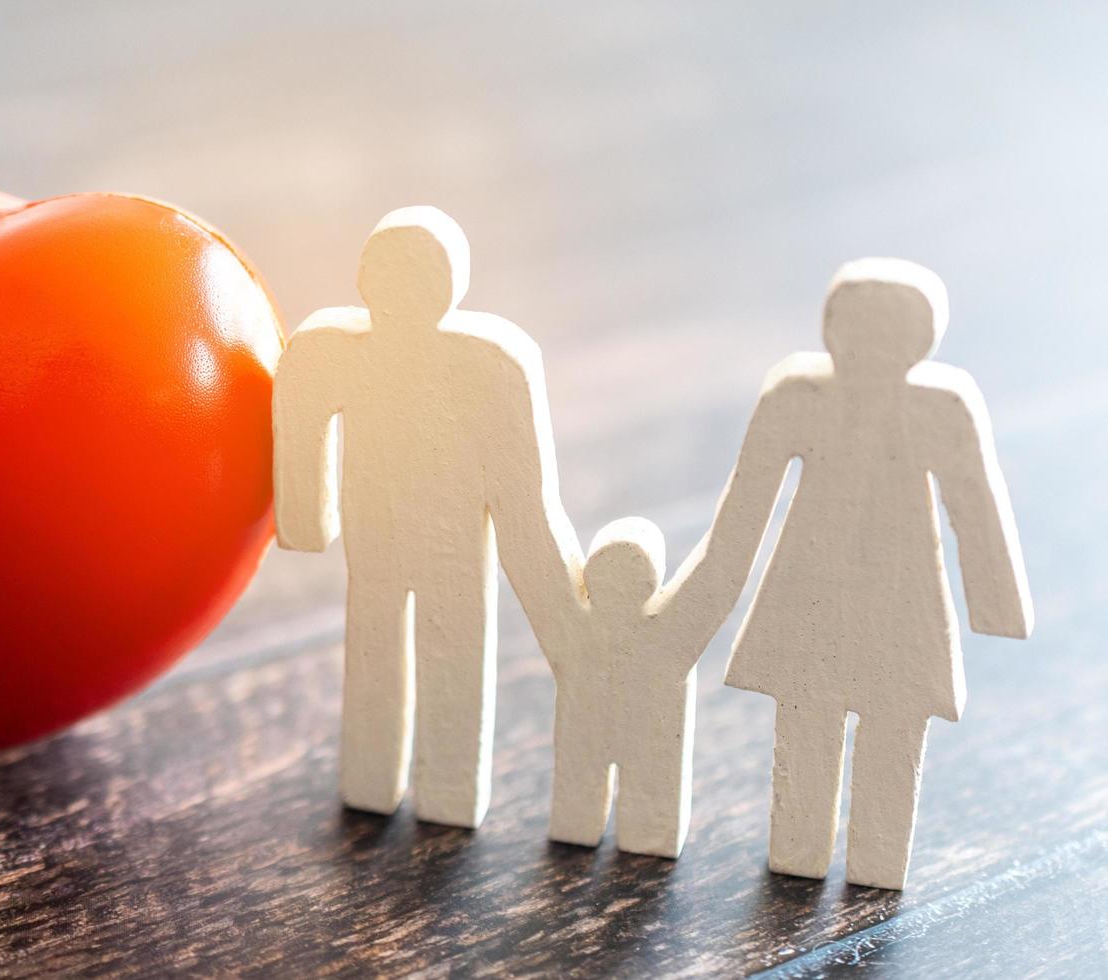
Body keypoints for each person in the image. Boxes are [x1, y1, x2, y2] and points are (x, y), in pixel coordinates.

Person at [705, 258, 1033, 889]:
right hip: (830, 596)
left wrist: (999, 607)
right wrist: (996, 607)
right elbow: (745, 508)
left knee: (871, 725)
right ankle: (817, 851)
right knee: (830, 723)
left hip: (885, 599)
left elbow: (975, 504)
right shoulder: (800, 398)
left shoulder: (936, 409)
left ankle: (856, 858)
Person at [272, 207, 585, 829]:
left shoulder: (489, 365)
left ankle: (440, 788)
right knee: (391, 655)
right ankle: (381, 778)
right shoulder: (337, 352)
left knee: (445, 656)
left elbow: (522, 496)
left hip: (452, 550)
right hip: (383, 545)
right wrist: (306, 519)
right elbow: (302, 421)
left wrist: (557, 604)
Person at [547, 516, 739, 857]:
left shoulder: (571, 623)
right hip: (635, 743)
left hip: (618, 742)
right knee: (636, 821)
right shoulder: (671, 628)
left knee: (611, 816)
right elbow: (718, 571)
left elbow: (718, 569)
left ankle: (611, 829)